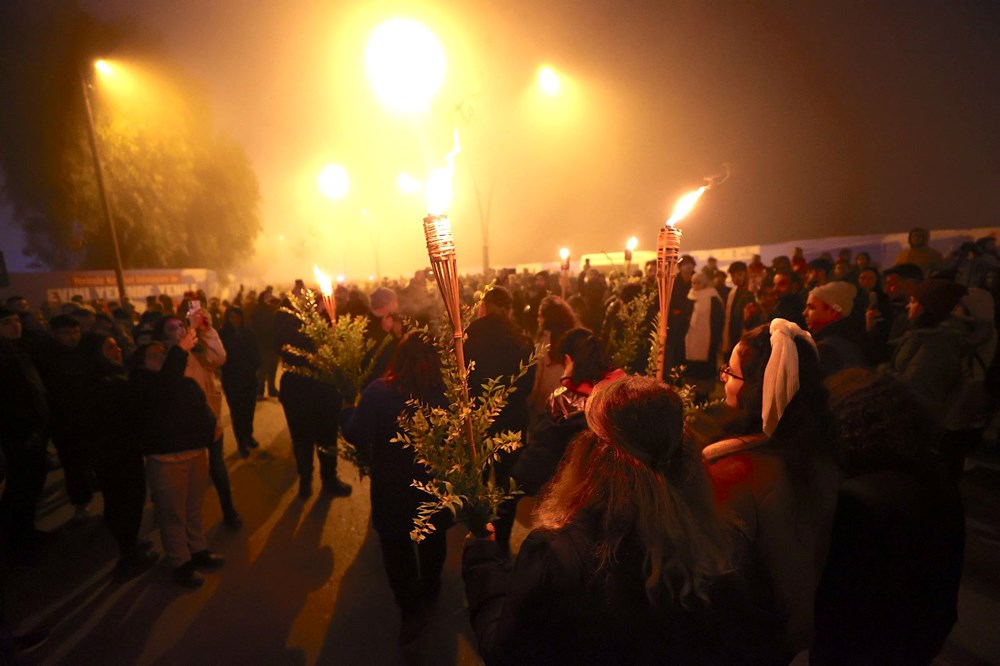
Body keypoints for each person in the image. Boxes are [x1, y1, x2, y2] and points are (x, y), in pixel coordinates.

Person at [463, 376, 782, 665]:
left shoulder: (556, 556)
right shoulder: (727, 548)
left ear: (594, 456)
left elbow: (506, 651)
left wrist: (483, 564)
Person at [703, 320, 840, 656]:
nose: (723, 378)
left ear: (755, 387)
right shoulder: (819, 452)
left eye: (731, 372)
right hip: (796, 621)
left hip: (747, 634)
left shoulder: (735, 468)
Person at [813, 370, 963, 664]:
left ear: (848, 423)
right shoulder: (931, 469)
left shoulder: (860, 499)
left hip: (862, 643)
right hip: (924, 631)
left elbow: (840, 592)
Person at [343, 332, 452, 646]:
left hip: (393, 490)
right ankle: (430, 590)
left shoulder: (379, 392)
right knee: (433, 539)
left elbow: (356, 433)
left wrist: (346, 410)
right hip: (433, 488)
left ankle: (411, 609)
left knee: (397, 551)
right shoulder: (446, 393)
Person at [128, 339, 225, 588]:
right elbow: (163, 390)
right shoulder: (142, 386)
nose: (161, 356)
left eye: (163, 353)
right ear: (140, 363)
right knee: (173, 516)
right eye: (153, 355)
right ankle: (180, 563)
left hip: (195, 455)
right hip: (166, 461)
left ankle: (198, 549)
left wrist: (208, 433)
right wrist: (179, 351)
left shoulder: (184, 383)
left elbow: (204, 412)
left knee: (193, 509)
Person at [154, 311, 242, 529]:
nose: (181, 330)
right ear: (163, 338)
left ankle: (228, 510)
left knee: (217, 468)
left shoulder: (195, 352)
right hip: (185, 432)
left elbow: (219, 358)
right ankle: (185, 533)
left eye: (181, 326)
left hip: (208, 423)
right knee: (190, 484)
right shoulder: (163, 359)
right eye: (173, 328)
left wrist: (207, 330)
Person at [465, 286, 536, 555]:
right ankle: (503, 540)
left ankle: (481, 533)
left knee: (478, 479)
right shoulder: (522, 340)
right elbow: (527, 385)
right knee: (506, 483)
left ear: (484, 306)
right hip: (512, 421)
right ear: (509, 309)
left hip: (479, 421)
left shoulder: (468, 336)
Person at [515, 328, 627, 497]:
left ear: (569, 360)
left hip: (575, 495)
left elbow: (539, 455)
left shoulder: (563, 402)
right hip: (617, 491)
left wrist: (511, 486)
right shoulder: (623, 393)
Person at [274, 281, 352, 499]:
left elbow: (337, 348)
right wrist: (313, 323)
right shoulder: (286, 318)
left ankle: (329, 479)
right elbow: (286, 346)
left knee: (328, 437)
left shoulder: (327, 315)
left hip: (325, 389)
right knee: (302, 439)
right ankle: (305, 480)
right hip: (298, 389)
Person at [88, 335, 158, 578]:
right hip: (118, 453)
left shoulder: (110, 376)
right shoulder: (108, 382)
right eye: (109, 347)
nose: (116, 349)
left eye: (116, 345)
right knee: (126, 502)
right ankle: (128, 557)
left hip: (112, 452)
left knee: (120, 502)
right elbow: (125, 417)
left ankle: (129, 547)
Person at [0, 306, 50, 561]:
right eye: (7, 322)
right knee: (19, 490)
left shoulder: (18, 350)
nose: (15, 325)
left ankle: (27, 533)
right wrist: (22, 431)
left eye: (17, 320)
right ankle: (19, 541)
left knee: (31, 487)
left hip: (33, 432)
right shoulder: (4, 356)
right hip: (18, 437)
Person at [219, 306, 261, 458]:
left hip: (249, 378)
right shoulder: (223, 334)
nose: (235, 320)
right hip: (232, 379)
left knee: (249, 409)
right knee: (237, 412)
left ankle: (248, 435)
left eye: (238, 317)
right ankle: (241, 441)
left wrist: (255, 367)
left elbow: (256, 352)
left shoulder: (248, 333)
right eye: (232, 317)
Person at [803, 281, 867, 378]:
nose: (804, 313)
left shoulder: (827, 349)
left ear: (833, 311)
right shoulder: (850, 335)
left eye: (812, 308)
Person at [684, 272, 724, 401]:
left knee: (705, 370)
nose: (695, 285)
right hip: (691, 340)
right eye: (693, 282)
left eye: (698, 282)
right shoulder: (690, 297)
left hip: (707, 342)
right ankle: (694, 392)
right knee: (693, 368)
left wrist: (714, 340)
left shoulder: (712, 297)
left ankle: (704, 395)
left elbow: (718, 320)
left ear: (705, 283)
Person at [722, 261, 756, 360]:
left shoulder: (751, 292)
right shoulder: (733, 292)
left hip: (747, 332)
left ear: (746, 273)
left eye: (739, 274)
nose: (736, 278)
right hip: (733, 332)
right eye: (733, 276)